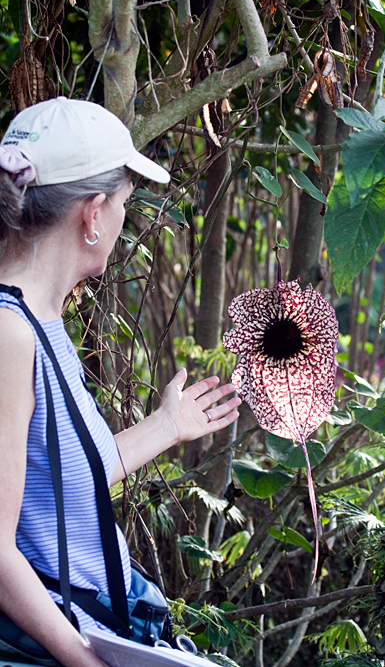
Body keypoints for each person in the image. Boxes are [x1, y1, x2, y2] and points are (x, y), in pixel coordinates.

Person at [0, 97, 241, 667]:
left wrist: (167, 426)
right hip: (61, 643)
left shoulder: (41, 320)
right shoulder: (10, 335)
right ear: (93, 213)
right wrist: (83, 657)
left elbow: (55, 485)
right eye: (125, 206)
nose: (122, 222)